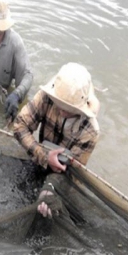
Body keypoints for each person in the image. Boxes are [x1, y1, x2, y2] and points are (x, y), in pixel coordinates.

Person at [13, 62, 100, 219]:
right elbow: (20, 126)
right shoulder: (46, 97)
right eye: (59, 103)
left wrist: (50, 188)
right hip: (39, 156)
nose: (60, 109)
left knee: (48, 207)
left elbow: (73, 172)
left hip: (62, 175)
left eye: (67, 108)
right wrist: (45, 156)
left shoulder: (90, 131)